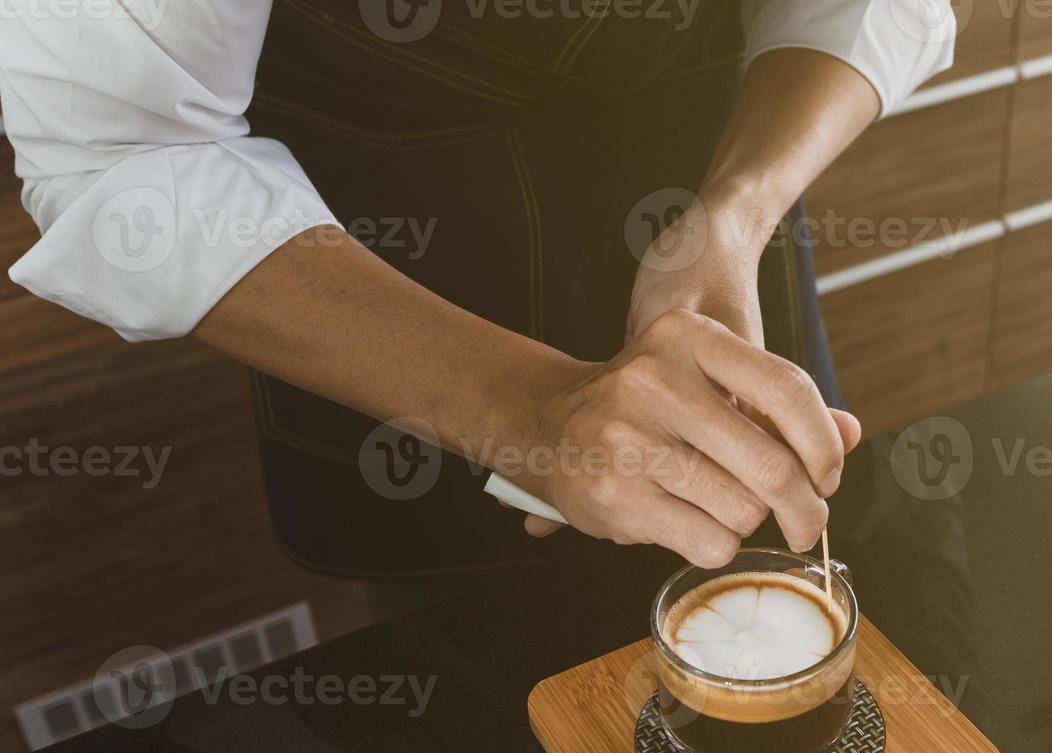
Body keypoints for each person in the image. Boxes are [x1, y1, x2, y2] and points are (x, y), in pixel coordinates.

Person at [0, 1, 955, 613]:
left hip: (714, 215)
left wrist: (737, 210)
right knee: (475, 745)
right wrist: (535, 411)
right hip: (390, 280)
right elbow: (124, 153)